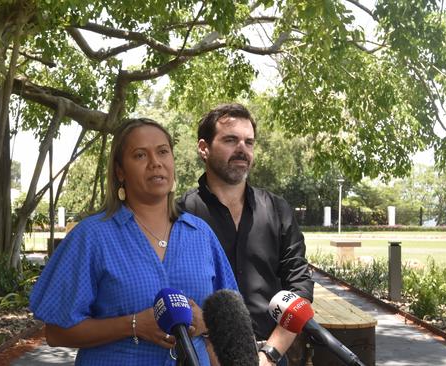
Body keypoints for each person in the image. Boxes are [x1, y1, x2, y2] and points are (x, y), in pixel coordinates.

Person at [30, 118, 238, 366]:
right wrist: (133, 325)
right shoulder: (92, 236)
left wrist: (205, 322)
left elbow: (230, 320)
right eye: (140, 155)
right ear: (120, 171)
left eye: (163, 152)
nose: (155, 163)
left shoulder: (201, 234)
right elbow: (55, 332)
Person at [178, 103, 314, 366]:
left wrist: (270, 356)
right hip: (203, 356)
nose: (242, 148)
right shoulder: (181, 215)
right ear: (203, 148)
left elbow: (300, 287)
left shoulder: (277, 210)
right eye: (230, 139)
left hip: (271, 355)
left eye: (248, 142)